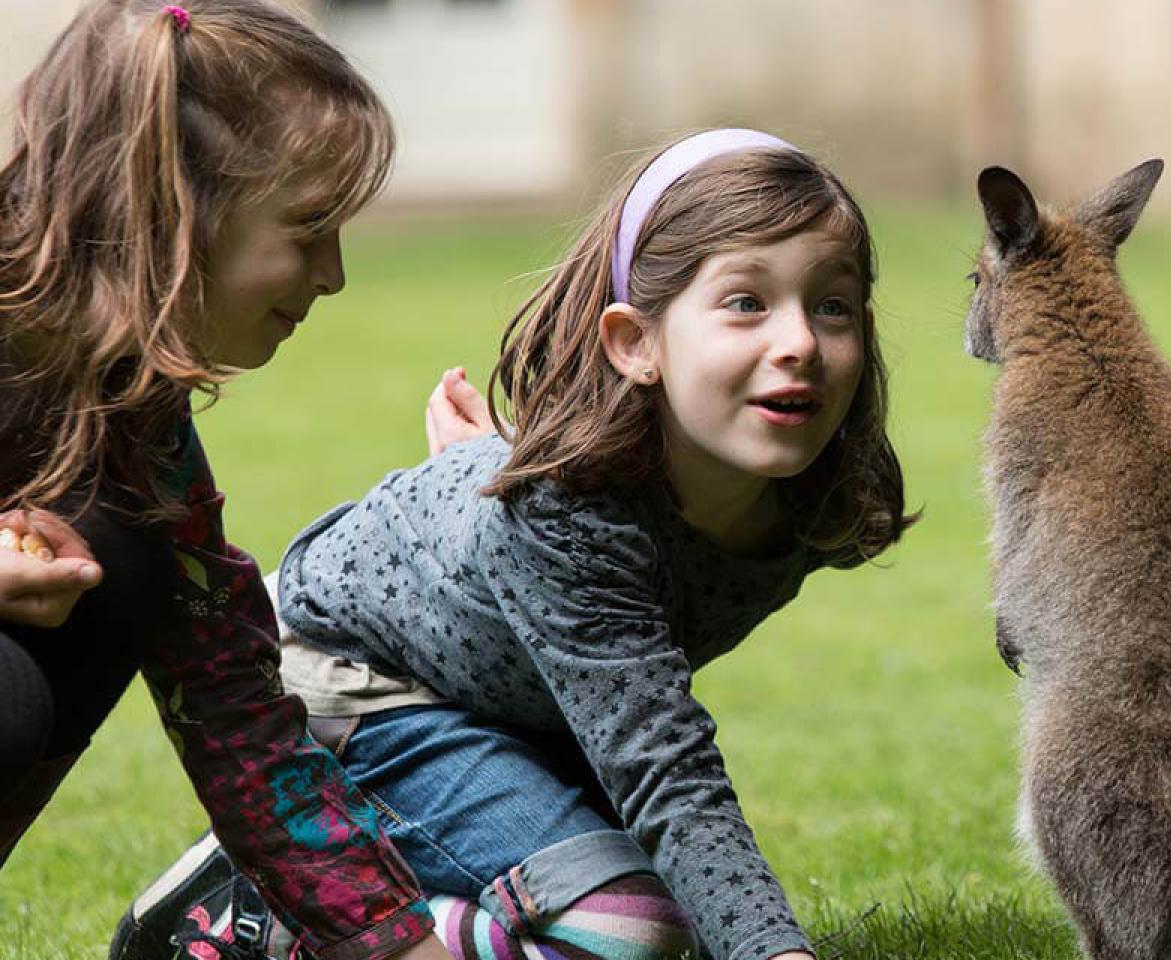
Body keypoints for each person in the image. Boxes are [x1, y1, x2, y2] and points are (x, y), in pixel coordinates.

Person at [126, 129, 914, 960]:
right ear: (635, 344)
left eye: (832, 305)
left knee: (666, 900)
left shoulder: (813, 493)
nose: (798, 341)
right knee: (627, 929)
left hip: (501, 706)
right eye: (746, 303)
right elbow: (664, 770)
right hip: (350, 681)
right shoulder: (566, 513)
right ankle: (275, 909)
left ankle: (349, 864)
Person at [0, 3, 454, 959]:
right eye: (309, 228)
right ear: (177, 208)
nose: (332, 274)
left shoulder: (127, 409)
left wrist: (395, 941)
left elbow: (229, 701)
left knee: (129, 567)